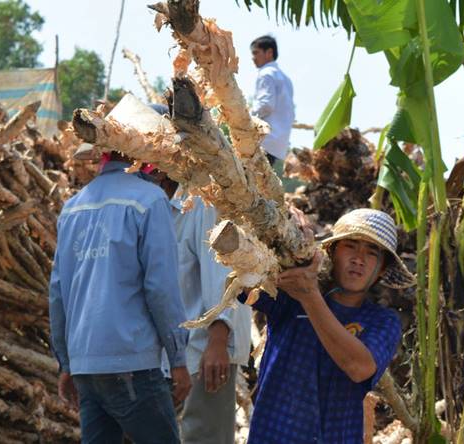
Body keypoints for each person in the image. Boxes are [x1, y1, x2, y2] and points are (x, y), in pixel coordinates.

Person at [49, 95, 191, 444]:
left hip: (87, 367)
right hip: (132, 366)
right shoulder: (150, 201)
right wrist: (178, 359)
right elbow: (160, 289)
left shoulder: (72, 208)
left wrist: (67, 363)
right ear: (150, 153)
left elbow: (58, 294)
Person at [240, 208, 415, 443]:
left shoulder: (383, 321)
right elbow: (243, 283)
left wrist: (310, 296)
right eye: (350, 245)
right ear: (331, 252)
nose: (358, 259)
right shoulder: (290, 296)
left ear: (381, 269)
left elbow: (358, 366)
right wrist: (279, 221)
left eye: (371, 253)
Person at [144, 103, 252, 444]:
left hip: (205, 354)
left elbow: (221, 275)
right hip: (166, 356)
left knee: (204, 437)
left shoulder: (201, 201)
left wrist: (217, 342)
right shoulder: (151, 207)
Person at [250, 35, 295, 164]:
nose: (253, 58)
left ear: (269, 52)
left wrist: (245, 118)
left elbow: (266, 105)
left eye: (256, 53)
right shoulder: (285, 78)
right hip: (277, 143)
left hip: (264, 140)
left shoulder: (266, 74)